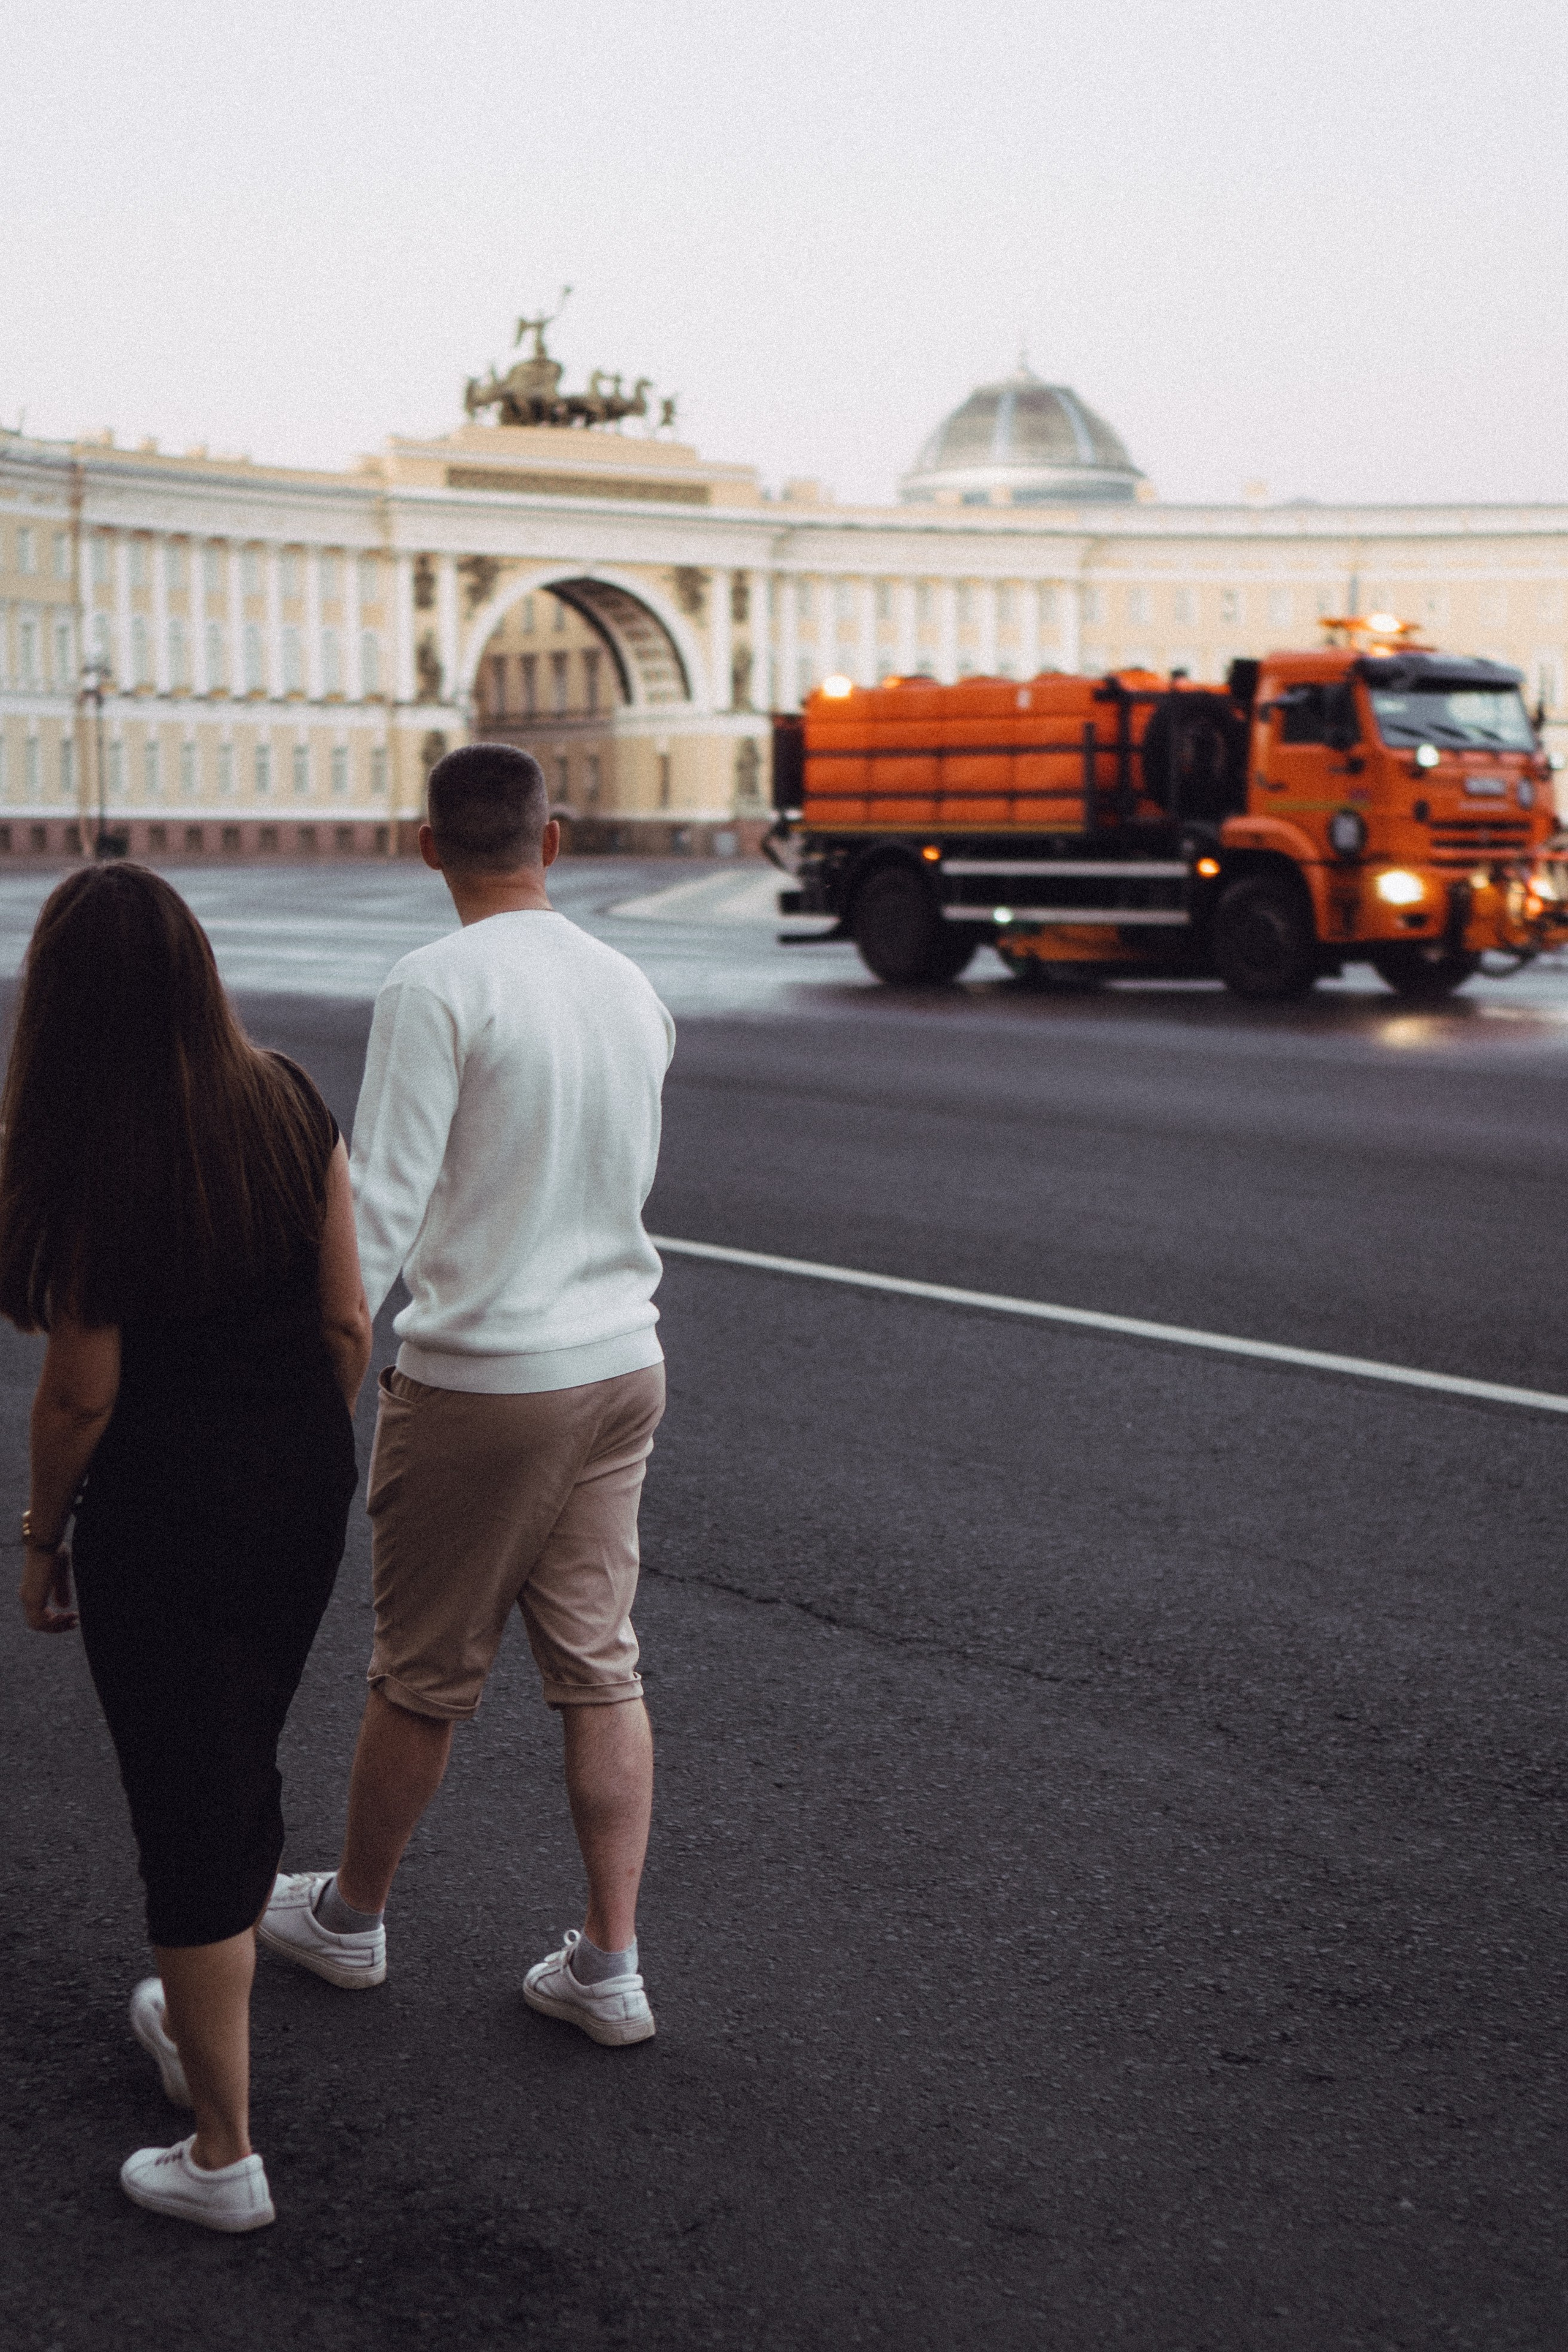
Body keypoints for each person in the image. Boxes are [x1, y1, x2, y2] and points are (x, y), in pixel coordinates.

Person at [259, 743, 673, 2046]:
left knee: (422, 1673)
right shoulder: (630, 985)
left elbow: (377, 1206)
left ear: (426, 845)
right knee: (601, 1669)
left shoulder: (433, 984)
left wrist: (314, 1380)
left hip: (488, 1378)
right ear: (552, 844)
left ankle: (349, 1919)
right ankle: (608, 1968)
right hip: (622, 1363)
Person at [5, 865, 371, 2233]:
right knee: (241, 1745)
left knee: (186, 1791)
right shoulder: (287, 1095)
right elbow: (346, 1324)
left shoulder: (94, 1148)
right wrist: (287, 1451)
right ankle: (196, 2012)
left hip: (163, 1508)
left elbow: (81, 1395)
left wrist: (44, 1540)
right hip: (299, 1485)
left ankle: (224, 2153)